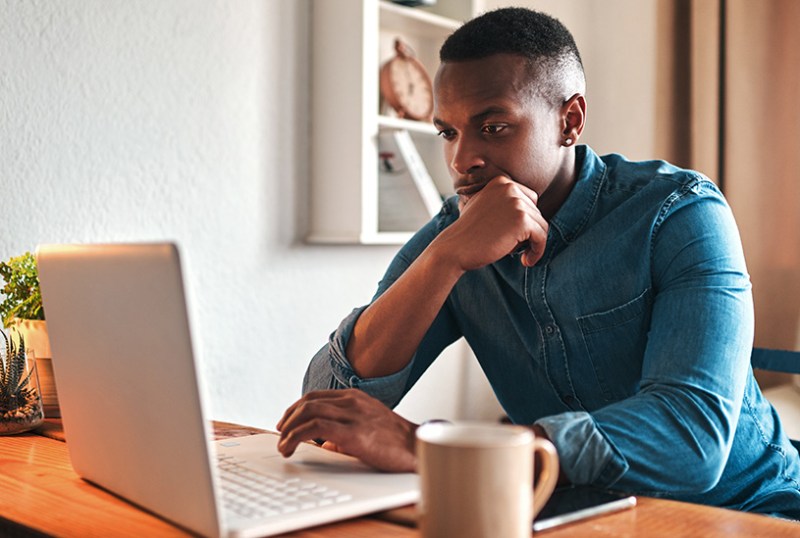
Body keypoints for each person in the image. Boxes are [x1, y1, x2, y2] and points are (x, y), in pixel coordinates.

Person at [277, 7, 800, 518]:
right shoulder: (454, 234)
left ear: (569, 120)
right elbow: (327, 406)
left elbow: (693, 437)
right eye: (448, 133)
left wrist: (433, 447)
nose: (462, 161)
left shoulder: (680, 212)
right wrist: (443, 260)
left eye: (494, 126)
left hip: (747, 507)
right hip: (578, 510)